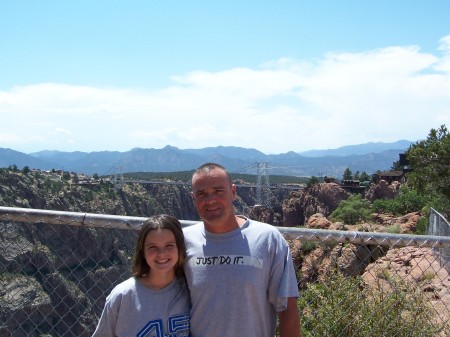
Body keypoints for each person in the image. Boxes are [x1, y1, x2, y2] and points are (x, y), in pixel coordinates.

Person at [183, 162, 300, 337]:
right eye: (201, 194)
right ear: (194, 199)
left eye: (218, 191)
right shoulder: (182, 241)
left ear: (233, 192)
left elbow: (288, 308)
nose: (210, 200)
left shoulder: (268, 239)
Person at [92, 214, 190, 337]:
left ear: (180, 248)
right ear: (142, 251)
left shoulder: (191, 290)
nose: (161, 254)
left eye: (169, 245)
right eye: (152, 247)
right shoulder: (123, 296)